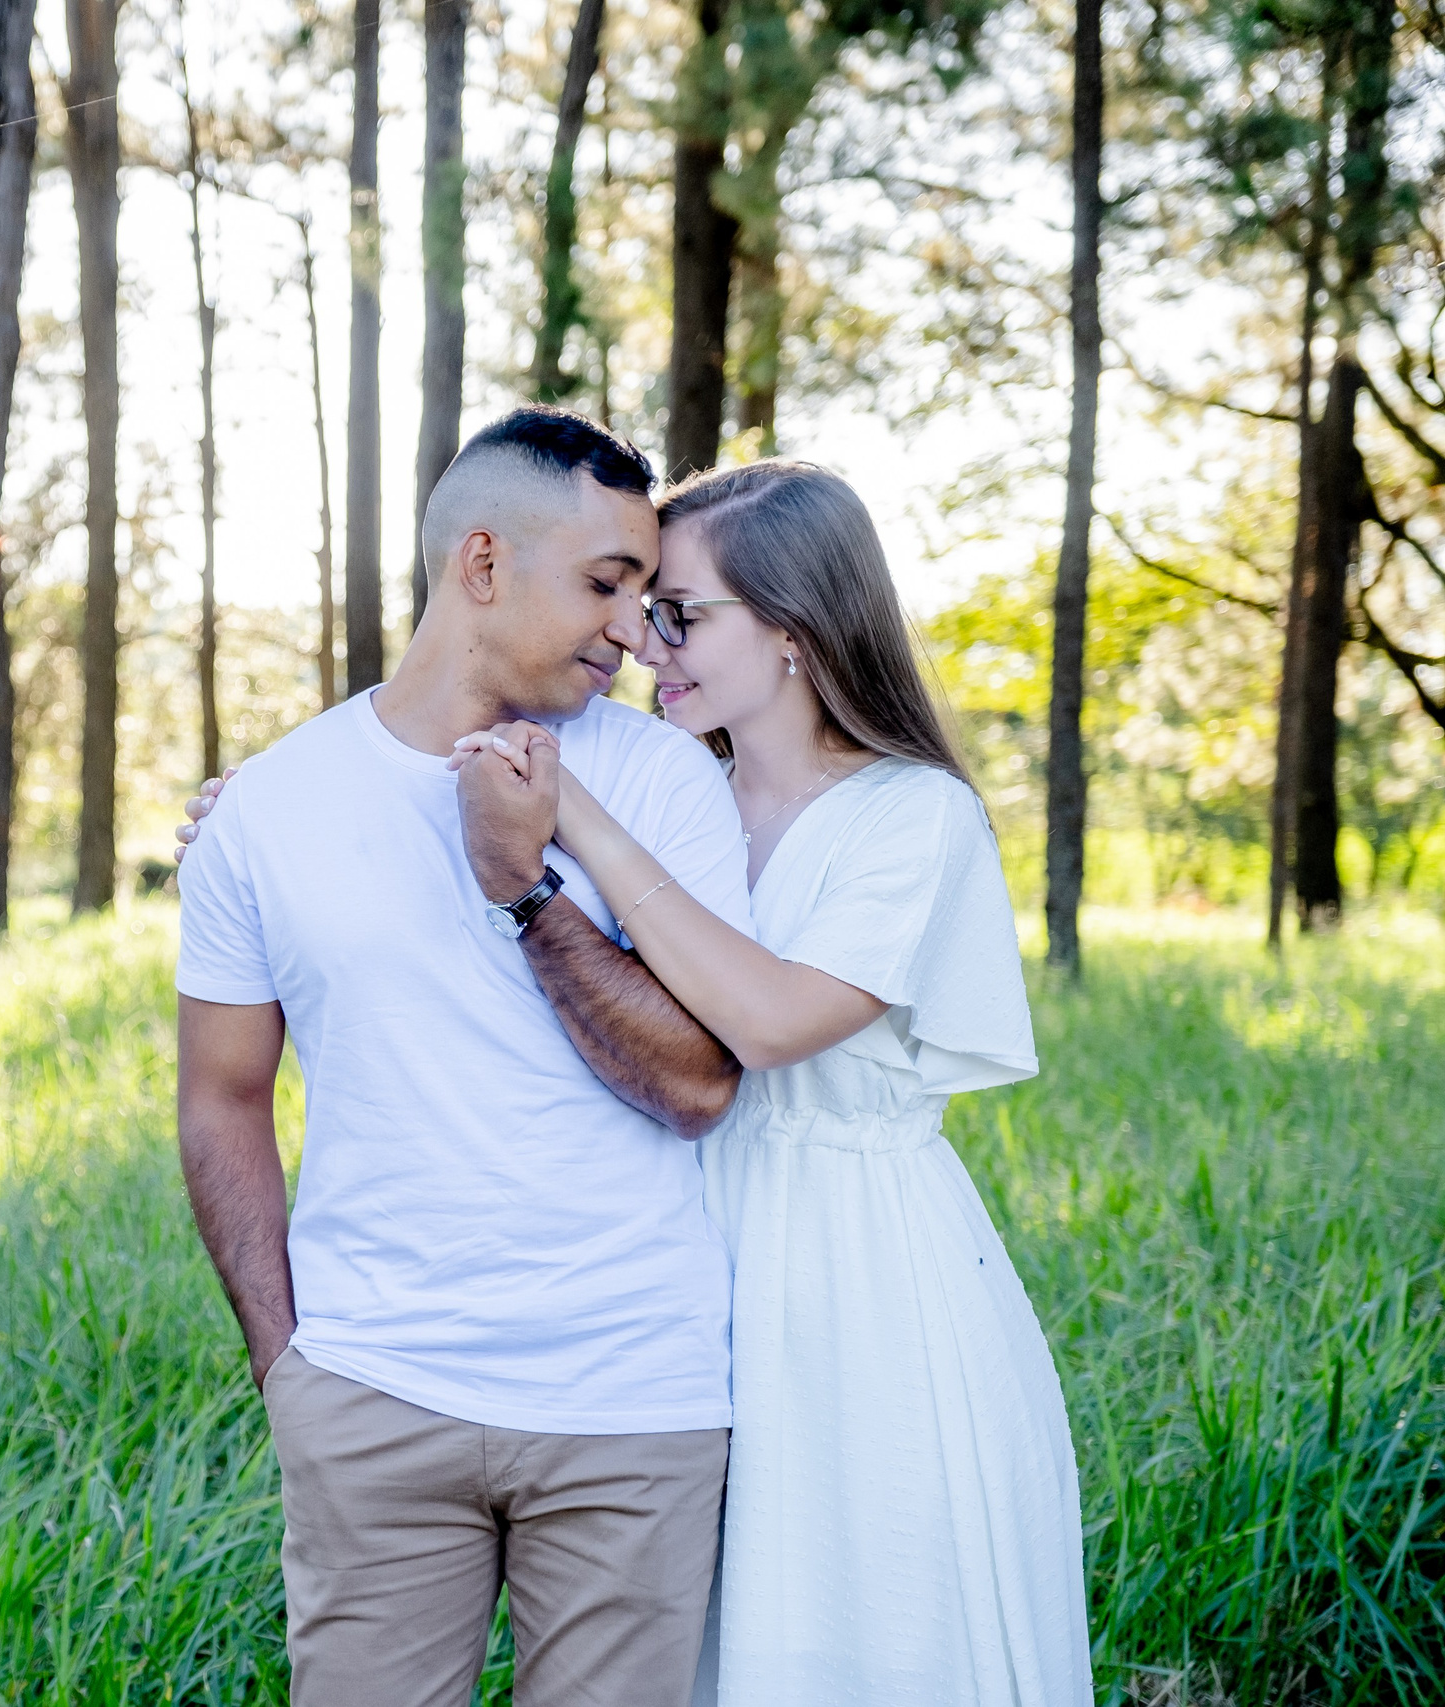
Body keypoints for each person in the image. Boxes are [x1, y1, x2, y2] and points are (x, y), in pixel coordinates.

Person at [186, 457, 1096, 1706]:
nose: (637, 639)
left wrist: (571, 830)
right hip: (701, 1271)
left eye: (675, 611)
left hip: (847, 1274)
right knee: (737, 1645)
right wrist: (273, 812)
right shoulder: (696, 791)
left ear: (792, 630)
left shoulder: (900, 816)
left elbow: (766, 1023)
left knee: (867, 1618)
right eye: (629, 598)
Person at [174, 406, 757, 1707]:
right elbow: (220, 1102)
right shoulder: (268, 810)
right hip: (373, 1400)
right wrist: (295, 1371)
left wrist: (528, 893)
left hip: (632, 1406)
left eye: (648, 596)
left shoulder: (663, 786)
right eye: (605, 584)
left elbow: (698, 1083)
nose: (629, 629)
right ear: (481, 565)